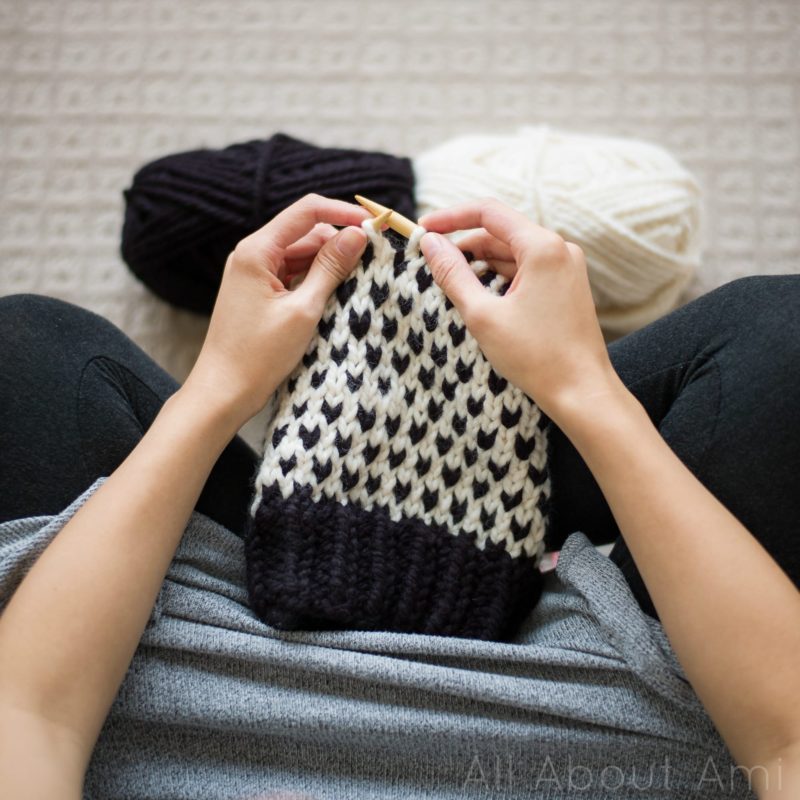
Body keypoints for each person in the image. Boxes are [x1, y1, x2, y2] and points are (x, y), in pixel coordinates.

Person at [0, 193, 798, 799]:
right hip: (610, 725)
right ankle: (452, 535)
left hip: (163, 688)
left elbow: (33, 712)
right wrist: (582, 391)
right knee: (783, 341)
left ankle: (411, 529)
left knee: (24, 355)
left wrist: (218, 391)